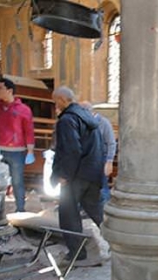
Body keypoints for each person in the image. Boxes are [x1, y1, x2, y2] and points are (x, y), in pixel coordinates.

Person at [51, 86, 104, 262]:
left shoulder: (67, 120)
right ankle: (121, 244)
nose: (55, 106)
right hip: (93, 173)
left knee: (68, 214)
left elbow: (71, 150)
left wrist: (64, 175)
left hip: (75, 175)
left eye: (55, 102)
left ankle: (77, 253)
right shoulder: (88, 117)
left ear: (62, 100)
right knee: (97, 212)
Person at [0, 77, 35, 212]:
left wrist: (30, 151)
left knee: (17, 181)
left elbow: (29, 131)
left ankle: (20, 208)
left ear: (10, 90)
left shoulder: (23, 110)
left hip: (17, 151)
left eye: (0, 88)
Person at [81, 101, 116, 206]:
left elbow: (111, 143)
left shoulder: (103, 122)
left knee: (102, 185)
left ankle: (104, 208)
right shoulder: (83, 122)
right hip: (87, 158)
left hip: (101, 158)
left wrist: (109, 161)